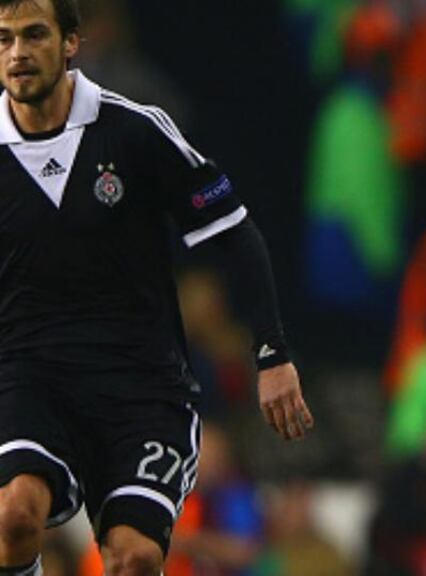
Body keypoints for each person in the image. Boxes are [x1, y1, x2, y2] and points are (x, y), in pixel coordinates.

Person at [0, 1, 314, 575]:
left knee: (135, 558)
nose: (17, 53)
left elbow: (236, 233)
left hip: (139, 386)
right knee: (14, 515)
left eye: (34, 35)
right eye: (3, 39)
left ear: (72, 43)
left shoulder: (134, 130)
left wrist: (272, 353)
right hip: (30, 378)